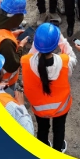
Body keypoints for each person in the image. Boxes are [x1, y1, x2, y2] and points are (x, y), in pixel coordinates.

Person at [21, 23, 75, 151]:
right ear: (55, 45)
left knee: (42, 129)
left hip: (39, 109)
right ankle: (58, 149)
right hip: (61, 107)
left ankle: (44, 148)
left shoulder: (25, 62)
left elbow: (32, 55)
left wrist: (39, 43)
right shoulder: (65, 62)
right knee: (59, 128)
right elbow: (72, 56)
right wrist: (61, 40)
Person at [0, 52, 35, 136]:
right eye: (0, 69)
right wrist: (21, 105)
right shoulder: (9, 105)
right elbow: (28, 133)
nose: (3, 70)